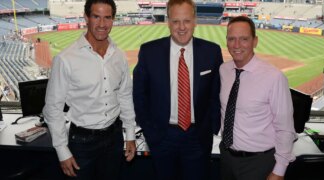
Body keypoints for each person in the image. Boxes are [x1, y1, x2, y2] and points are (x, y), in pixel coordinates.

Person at [43, 0, 136, 179]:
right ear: (86, 17)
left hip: (115, 137)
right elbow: (53, 108)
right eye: (96, 17)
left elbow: (124, 96)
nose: (102, 24)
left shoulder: (119, 56)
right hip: (82, 142)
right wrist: (62, 151)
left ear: (113, 19)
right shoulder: (65, 59)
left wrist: (130, 134)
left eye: (107, 18)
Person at [133, 0, 223, 179]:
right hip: (162, 137)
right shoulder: (149, 52)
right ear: (168, 22)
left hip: (197, 138)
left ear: (195, 20)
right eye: (175, 21)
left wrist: (211, 128)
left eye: (187, 20)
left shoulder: (211, 51)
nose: (181, 27)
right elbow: (139, 96)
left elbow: (216, 94)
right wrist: (151, 132)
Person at [219, 16, 297, 180]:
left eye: (244, 39)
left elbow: (285, 128)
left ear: (255, 41)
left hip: (259, 163)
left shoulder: (274, 77)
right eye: (231, 39)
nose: (237, 45)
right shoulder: (224, 70)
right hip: (226, 158)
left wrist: (279, 171)